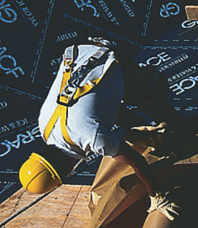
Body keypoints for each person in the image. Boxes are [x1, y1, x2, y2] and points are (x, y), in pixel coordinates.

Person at [19, 37, 178, 196]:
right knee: (128, 121)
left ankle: (176, 127)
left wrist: (156, 194)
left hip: (107, 57)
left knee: (151, 97)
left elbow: (138, 163)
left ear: (65, 171)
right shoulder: (44, 125)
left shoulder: (91, 138)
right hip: (79, 53)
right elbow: (88, 113)